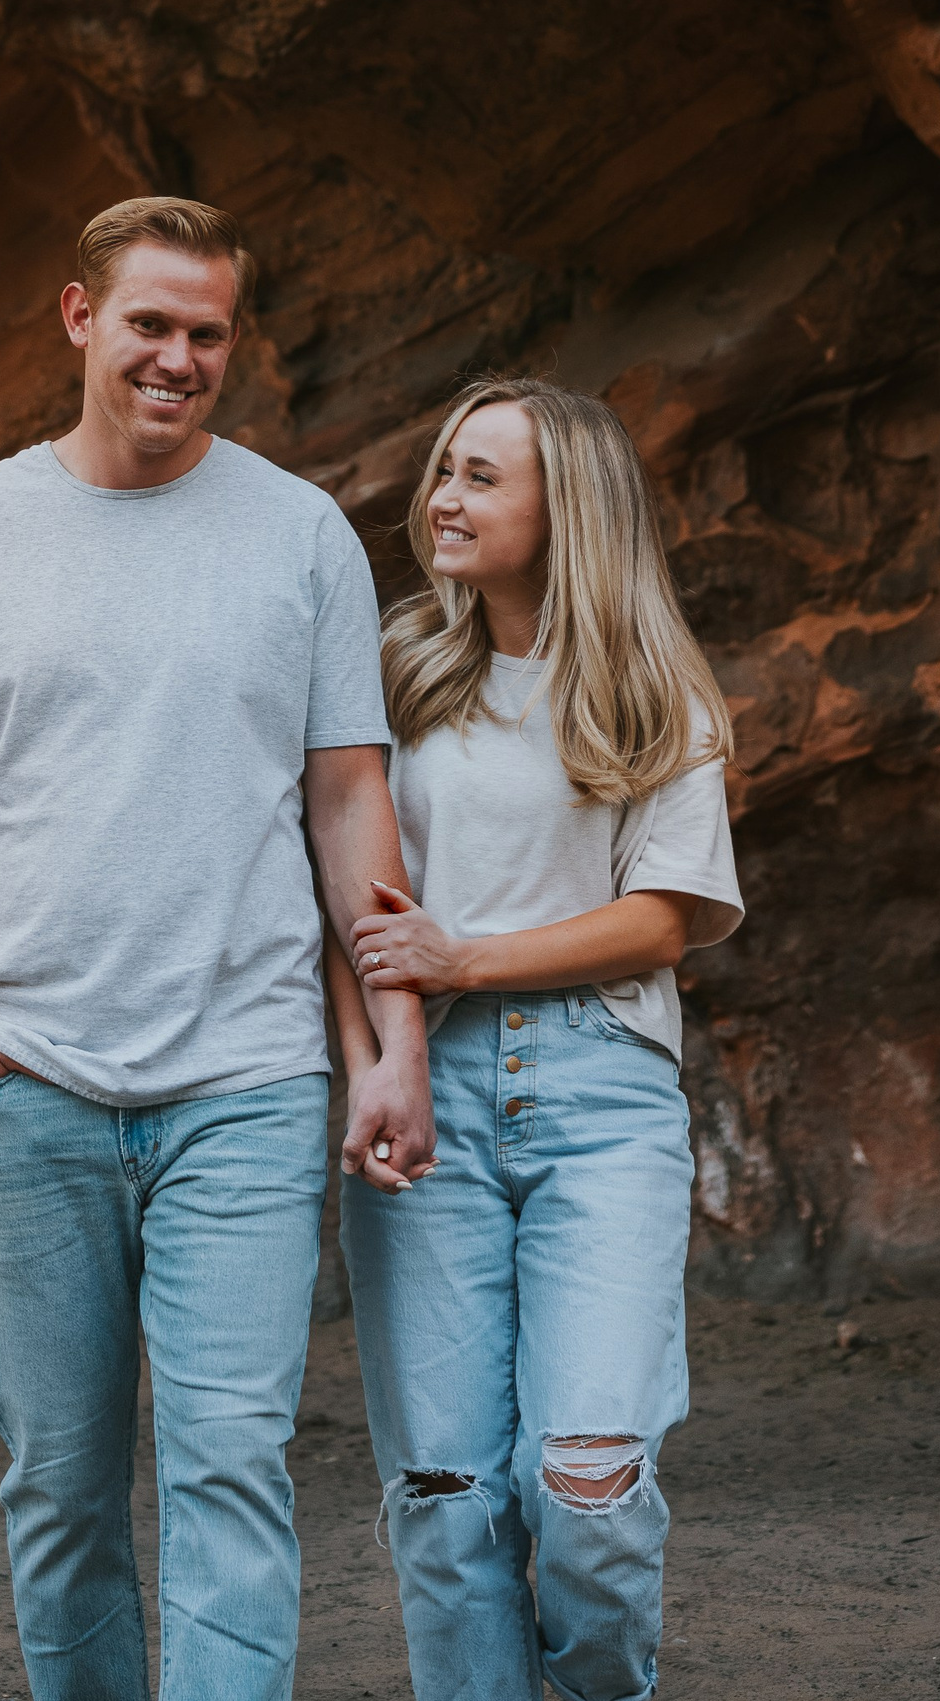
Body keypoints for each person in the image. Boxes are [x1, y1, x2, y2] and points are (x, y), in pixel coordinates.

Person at [0, 195, 435, 1701]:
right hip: (28, 1080)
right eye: (151, 323)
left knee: (229, 1462)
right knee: (59, 1483)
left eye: (207, 333)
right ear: (78, 317)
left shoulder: (300, 533)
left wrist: (395, 1038)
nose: (178, 358)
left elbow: (350, 798)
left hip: (244, 1075)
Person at [328, 376, 742, 1701]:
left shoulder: (652, 685)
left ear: (571, 507)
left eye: (481, 476)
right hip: (426, 1086)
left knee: (587, 1482)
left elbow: (662, 922)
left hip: (603, 1090)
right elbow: (343, 904)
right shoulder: (395, 668)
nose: (443, 496)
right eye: (442, 467)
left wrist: (472, 956)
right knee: (446, 1498)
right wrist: (372, 1061)